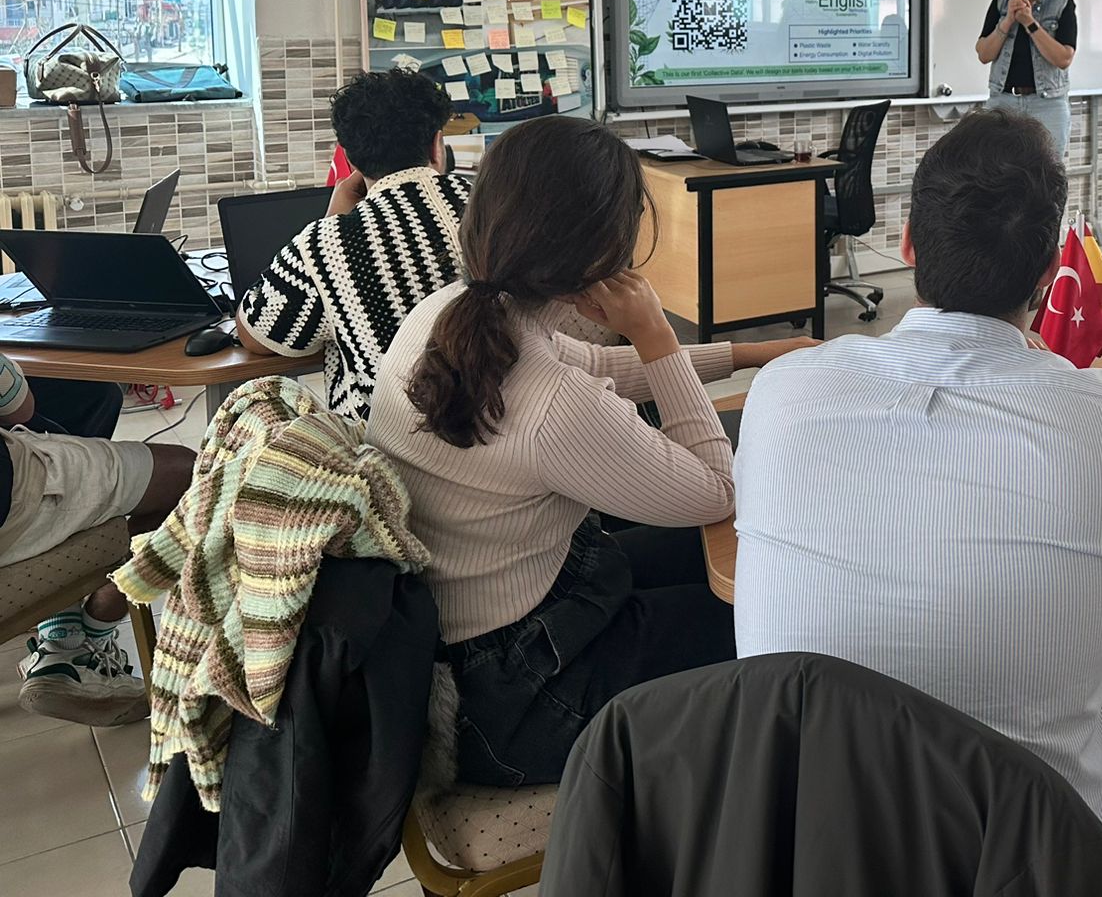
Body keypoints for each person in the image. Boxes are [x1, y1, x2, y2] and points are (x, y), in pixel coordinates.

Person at [733, 112, 1102, 896]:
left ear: (907, 243)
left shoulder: (783, 390)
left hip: (811, 850)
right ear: (1049, 275)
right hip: (1030, 859)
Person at [367, 115, 813, 786]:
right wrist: (656, 334)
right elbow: (714, 488)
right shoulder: (552, 403)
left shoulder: (450, 312)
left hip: (480, 636)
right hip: (516, 699)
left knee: (738, 563)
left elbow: (598, 369)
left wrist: (759, 353)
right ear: (604, 250)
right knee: (783, 621)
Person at [237, 68, 469, 421]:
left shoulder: (325, 245)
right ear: (438, 145)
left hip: (387, 439)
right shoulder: (491, 205)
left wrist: (331, 221)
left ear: (348, 158)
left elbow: (257, 335)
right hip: (507, 427)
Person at [4, 355, 196, 725]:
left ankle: (62, 629)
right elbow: (17, 406)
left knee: (90, 396)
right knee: (190, 476)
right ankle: (81, 642)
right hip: (11, 509)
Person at [976, 0, 1078, 151]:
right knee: (995, 166)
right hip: (1003, 102)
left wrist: (1030, 23)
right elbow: (984, 54)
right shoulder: (1001, 2)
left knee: (1047, 169)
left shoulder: (1063, 6)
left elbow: (1063, 58)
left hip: (1048, 104)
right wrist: (1008, 20)